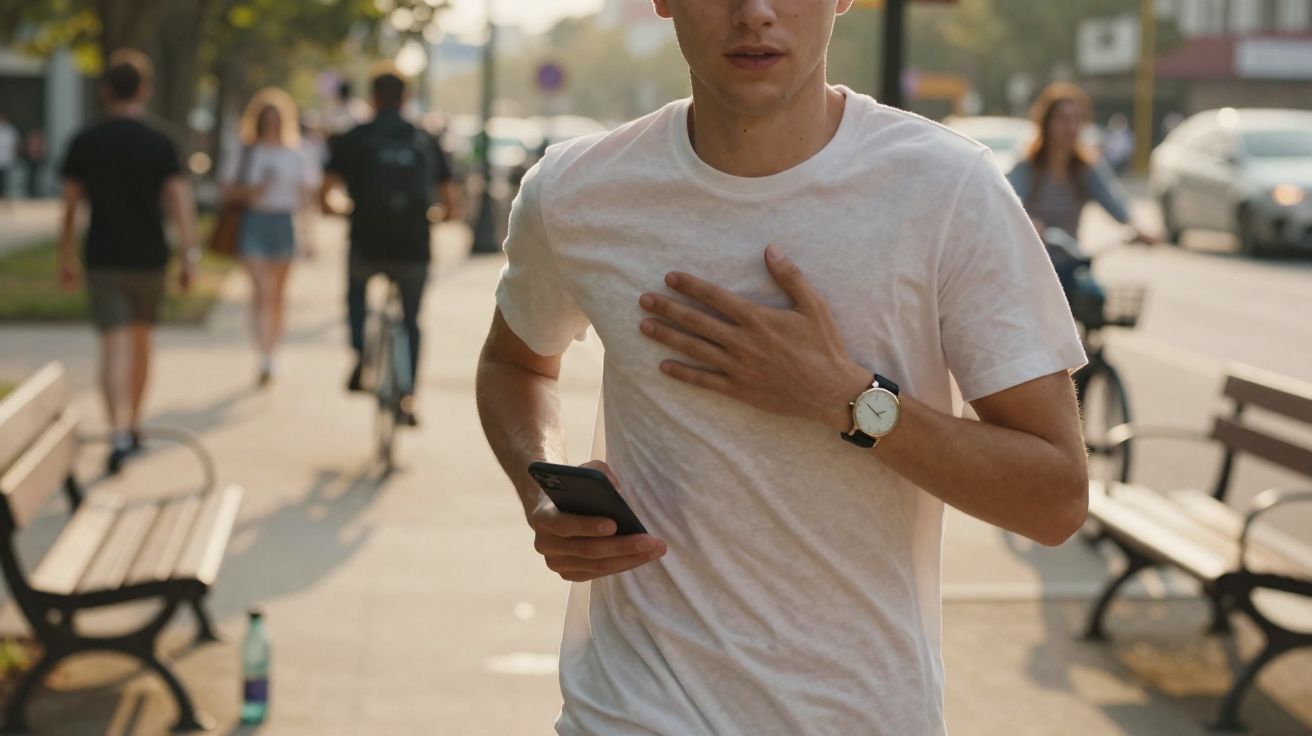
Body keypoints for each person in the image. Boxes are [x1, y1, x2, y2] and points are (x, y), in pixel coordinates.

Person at [476, 2, 1089, 734]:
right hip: (627, 711)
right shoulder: (575, 191)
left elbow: (1055, 499)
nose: (754, 12)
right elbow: (515, 364)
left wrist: (849, 401)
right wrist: (540, 481)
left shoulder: (947, 189)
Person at [57, 49, 198, 474]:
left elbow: (70, 204)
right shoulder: (160, 141)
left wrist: (65, 254)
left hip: (103, 256)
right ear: (145, 90)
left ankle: (118, 430)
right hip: (149, 258)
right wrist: (189, 254)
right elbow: (178, 200)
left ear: (105, 90)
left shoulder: (86, 140)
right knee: (141, 344)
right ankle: (133, 423)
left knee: (113, 347)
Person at [320, 68, 461, 427]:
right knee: (412, 319)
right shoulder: (425, 138)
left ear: (373, 97)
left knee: (355, 295)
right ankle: (409, 395)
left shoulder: (355, 137)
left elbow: (324, 194)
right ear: (406, 97)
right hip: (413, 244)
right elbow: (452, 202)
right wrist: (439, 217)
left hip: (366, 240)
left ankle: (360, 355)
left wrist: (339, 209)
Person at [1005, 84, 1155, 320]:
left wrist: (1136, 227)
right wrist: (1028, 222)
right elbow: (1010, 202)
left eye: (1077, 119)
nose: (1071, 127)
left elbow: (1112, 199)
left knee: (1093, 298)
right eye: (1064, 119)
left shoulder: (1085, 168)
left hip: (1070, 261)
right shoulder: (1028, 166)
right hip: (1032, 265)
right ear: (1047, 123)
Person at [220, 88, 319, 386]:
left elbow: (306, 198)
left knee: (277, 295)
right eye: (267, 118)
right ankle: (263, 354)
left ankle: (274, 351)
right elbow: (226, 190)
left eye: (277, 118)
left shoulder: (297, 152)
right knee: (262, 291)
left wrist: (308, 236)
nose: (272, 123)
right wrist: (252, 191)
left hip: (283, 222)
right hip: (254, 221)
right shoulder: (246, 151)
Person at [22, 129, 47, 198]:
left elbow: (41, 150)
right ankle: (30, 191)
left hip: (38, 161)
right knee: (30, 178)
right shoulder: (32, 141)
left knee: (38, 178)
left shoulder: (40, 141)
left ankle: (36, 191)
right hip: (31, 161)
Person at [0, 112, 17, 208]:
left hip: (6, 161)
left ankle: (5, 200)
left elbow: (14, 146)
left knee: (5, 183)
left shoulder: (10, 131)